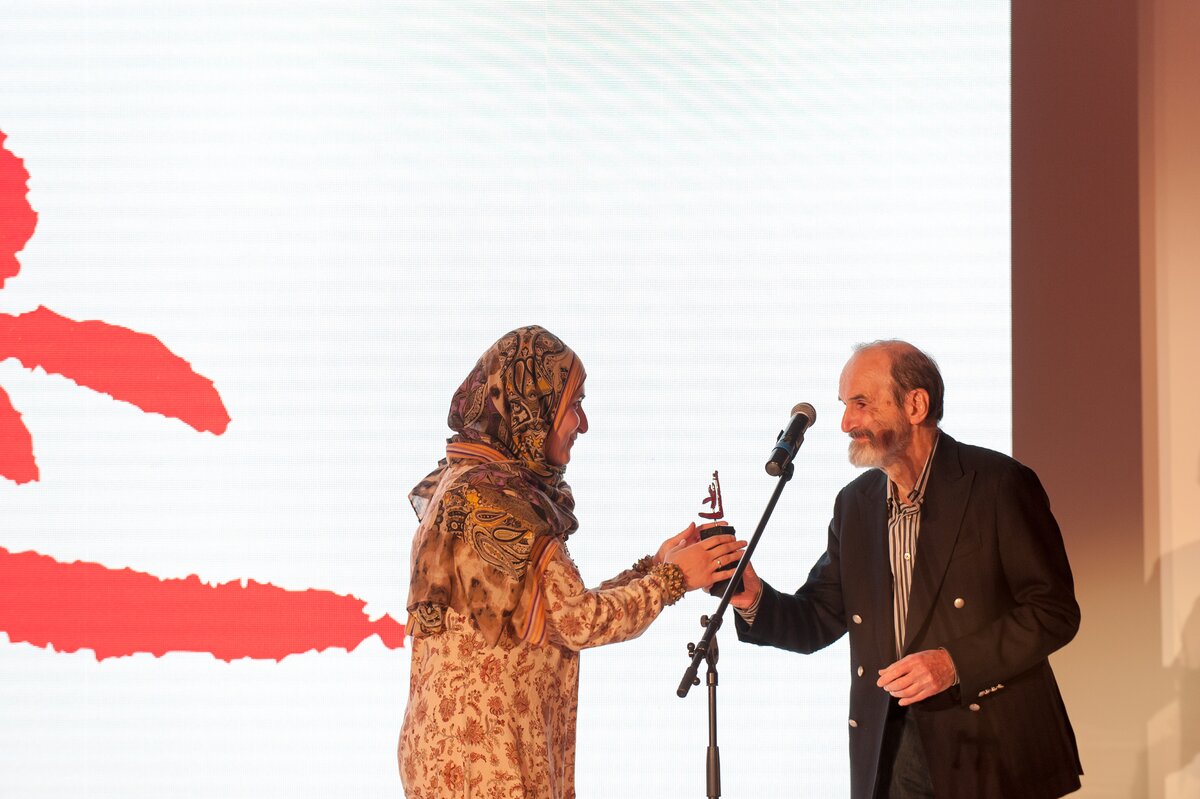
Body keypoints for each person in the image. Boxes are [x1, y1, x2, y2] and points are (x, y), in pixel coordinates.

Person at [398, 325, 744, 799]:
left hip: (468, 757)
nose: (582, 424)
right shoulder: (492, 501)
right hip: (485, 767)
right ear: (531, 407)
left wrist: (652, 566)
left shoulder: (474, 484)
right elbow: (578, 622)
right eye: (573, 405)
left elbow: (553, 609)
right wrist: (673, 578)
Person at [729, 340, 1082, 799]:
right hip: (891, 746)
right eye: (844, 406)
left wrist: (953, 663)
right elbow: (820, 616)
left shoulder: (997, 484)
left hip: (991, 751)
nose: (845, 423)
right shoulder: (856, 504)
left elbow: (1053, 612)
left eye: (861, 404)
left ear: (916, 405)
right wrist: (753, 598)